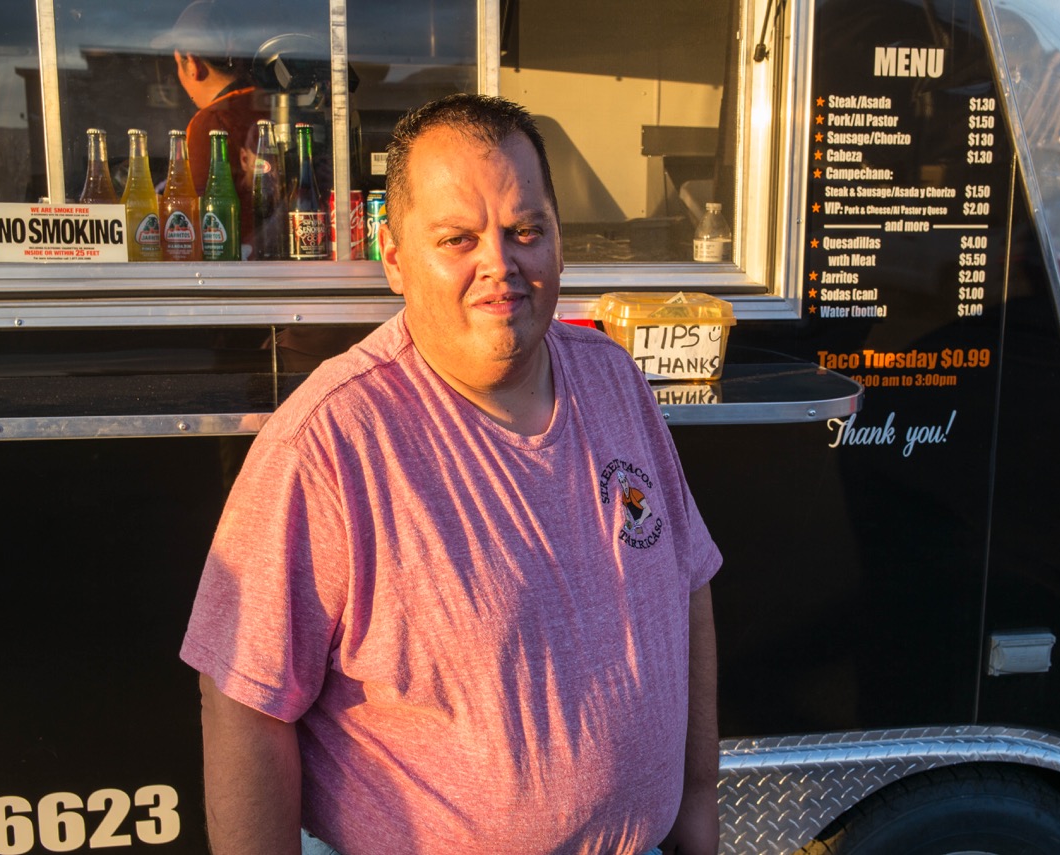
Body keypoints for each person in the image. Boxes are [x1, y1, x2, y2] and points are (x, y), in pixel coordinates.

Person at [180, 93, 722, 855]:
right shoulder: (330, 442)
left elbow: (687, 581)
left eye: (525, 230)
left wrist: (698, 812)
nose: (500, 265)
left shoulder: (613, 380)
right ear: (396, 260)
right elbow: (244, 700)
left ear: (559, 240)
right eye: (458, 238)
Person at [156, 0, 264, 243]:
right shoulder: (274, 105)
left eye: (176, 63)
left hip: (235, 264)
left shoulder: (211, 122)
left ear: (192, 64)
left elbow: (195, 221)